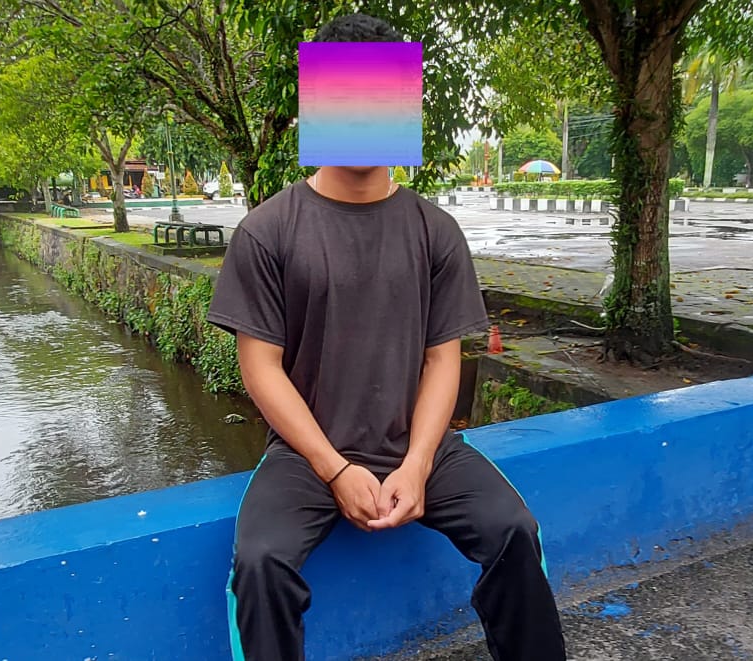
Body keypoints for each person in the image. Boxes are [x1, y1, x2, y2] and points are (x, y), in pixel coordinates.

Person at [206, 13, 566, 661]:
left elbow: (442, 359)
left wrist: (419, 463)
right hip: (306, 453)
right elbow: (260, 367)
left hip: (419, 444)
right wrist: (335, 468)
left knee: (514, 529)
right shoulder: (268, 231)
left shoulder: (435, 231)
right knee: (259, 563)